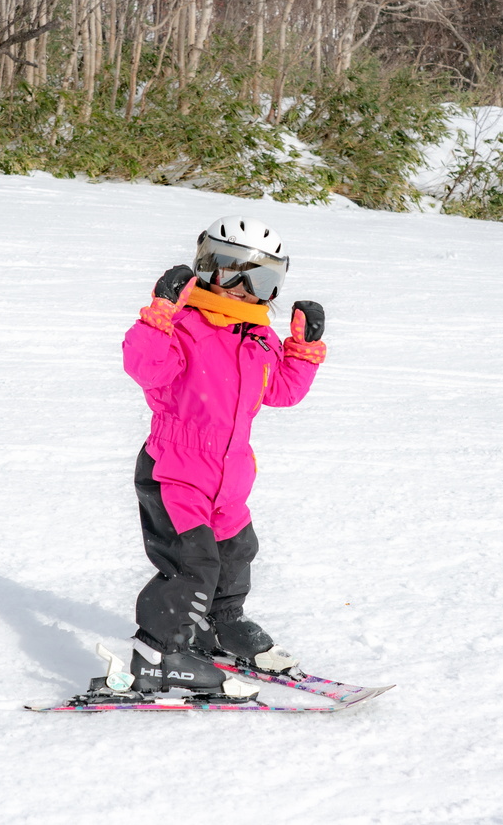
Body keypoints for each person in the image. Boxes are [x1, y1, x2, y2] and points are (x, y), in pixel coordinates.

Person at [121, 215, 327, 699]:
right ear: (205, 265)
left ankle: (220, 625)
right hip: (176, 468)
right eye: (229, 269)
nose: (241, 288)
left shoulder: (257, 336)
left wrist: (302, 349)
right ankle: (159, 654)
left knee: (236, 554)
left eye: (261, 278)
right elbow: (144, 367)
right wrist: (159, 315)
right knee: (190, 564)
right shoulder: (184, 324)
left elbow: (279, 391)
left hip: (231, 473)